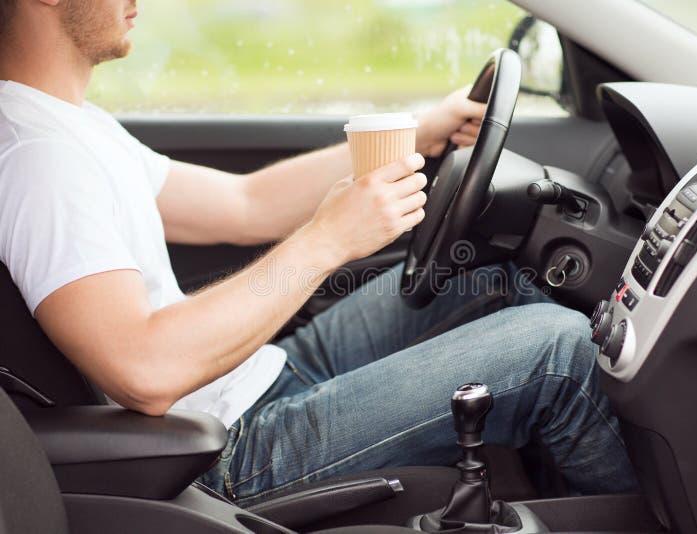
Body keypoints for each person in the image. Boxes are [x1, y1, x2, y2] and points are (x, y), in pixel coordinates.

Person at [0, 0, 636, 507]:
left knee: (493, 277)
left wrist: (418, 132)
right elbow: (142, 371)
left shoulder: (74, 125)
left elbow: (245, 204)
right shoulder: (36, 157)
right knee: (560, 352)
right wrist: (329, 239)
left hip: (252, 379)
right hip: (216, 451)